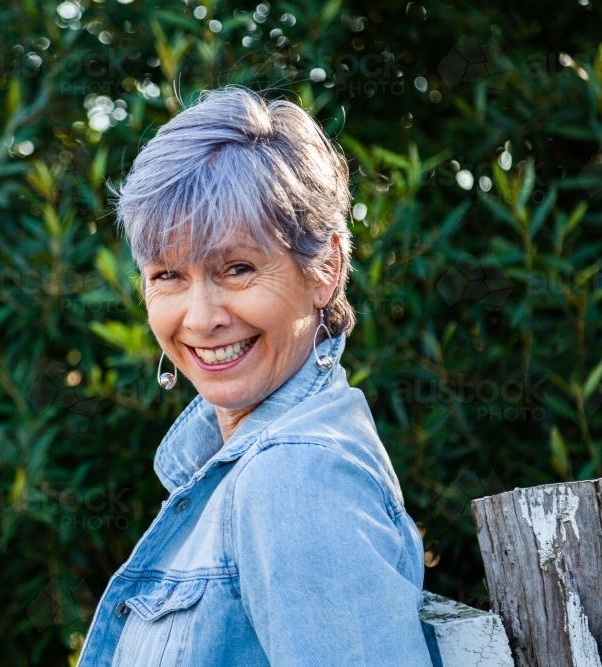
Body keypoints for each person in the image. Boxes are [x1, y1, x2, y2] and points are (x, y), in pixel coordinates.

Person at [76, 87, 433, 666]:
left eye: (237, 269)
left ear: (326, 269)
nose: (201, 317)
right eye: (168, 275)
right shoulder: (242, 463)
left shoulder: (295, 474)